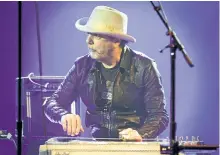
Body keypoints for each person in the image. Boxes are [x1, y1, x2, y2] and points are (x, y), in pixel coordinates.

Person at [43, 6, 169, 141]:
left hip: (136, 146)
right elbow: (52, 102)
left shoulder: (145, 66)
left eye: (96, 35)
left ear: (116, 40)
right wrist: (63, 115)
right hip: (99, 145)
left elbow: (159, 115)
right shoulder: (82, 66)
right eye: (88, 34)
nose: (88, 41)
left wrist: (140, 134)